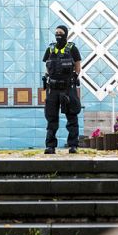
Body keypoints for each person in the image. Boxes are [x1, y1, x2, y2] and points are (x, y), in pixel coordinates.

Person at [42, 25, 82, 154]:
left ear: (66, 34)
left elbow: (77, 66)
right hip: (53, 88)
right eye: (56, 33)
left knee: (72, 117)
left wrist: (74, 76)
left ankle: (73, 145)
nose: (58, 34)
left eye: (61, 32)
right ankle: (50, 146)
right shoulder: (50, 48)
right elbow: (47, 66)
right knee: (51, 118)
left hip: (67, 87)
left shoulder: (72, 48)